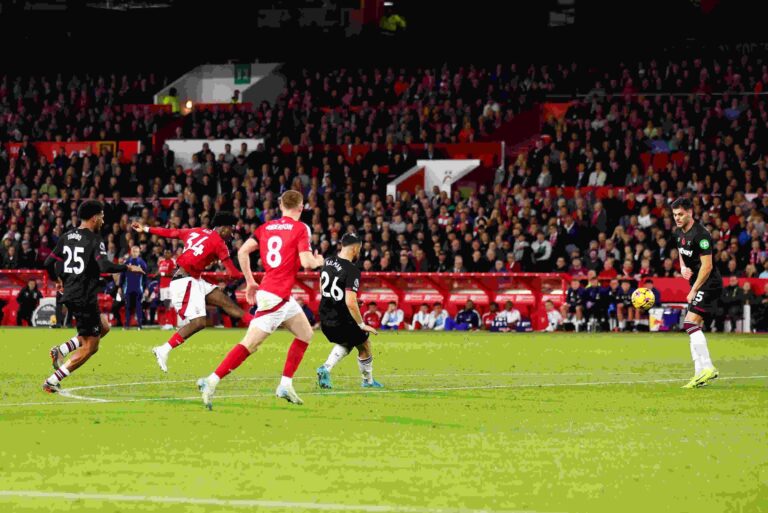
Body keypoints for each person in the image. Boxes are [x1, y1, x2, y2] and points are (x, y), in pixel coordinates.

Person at [197, 190, 325, 409]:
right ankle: (211, 381)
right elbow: (307, 262)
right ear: (301, 207)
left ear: (280, 205)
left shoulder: (265, 227)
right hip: (275, 297)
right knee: (250, 344)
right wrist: (318, 260)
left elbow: (243, 252)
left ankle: (285, 384)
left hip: (280, 295)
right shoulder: (301, 228)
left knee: (305, 333)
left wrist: (250, 281)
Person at [42, 200, 145, 393]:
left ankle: (61, 350)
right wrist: (127, 266)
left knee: (103, 326)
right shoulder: (94, 239)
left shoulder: (66, 236)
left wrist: (58, 281)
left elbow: (48, 262)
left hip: (71, 293)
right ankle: (53, 381)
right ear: (94, 217)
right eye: (102, 216)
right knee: (91, 346)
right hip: (84, 297)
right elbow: (104, 266)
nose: (103, 220)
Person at [131, 212, 253, 372]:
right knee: (199, 322)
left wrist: (146, 229)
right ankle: (163, 349)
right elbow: (233, 272)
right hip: (186, 281)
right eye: (231, 229)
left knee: (227, 303)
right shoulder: (220, 243)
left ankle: (260, 324)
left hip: (192, 278)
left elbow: (171, 233)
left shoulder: (196, 231)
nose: (233, 233)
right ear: (223, 228)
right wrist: (252, 278)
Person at [316, 233, 382, 389]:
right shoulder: (352, 270)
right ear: (355, 248)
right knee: (364, 344)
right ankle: (368, 382)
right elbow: (350, 302)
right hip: (342, 318)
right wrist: (361, 324)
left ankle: (325, 369)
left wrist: (346, 299)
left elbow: (322, 288)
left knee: (348, 342)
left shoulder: (328, 261)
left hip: (325, 317)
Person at [672, 197, 722, 388]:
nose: (677, 218)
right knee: (693, 327)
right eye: (675, 214)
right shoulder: (679, 232)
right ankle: (699, 375)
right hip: (698, 282)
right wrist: (683, 267)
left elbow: (707, 266)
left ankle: (708, 368)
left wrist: (694, 289)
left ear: (690, 213)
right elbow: (681, 250)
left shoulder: (701, 235)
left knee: (689, 323)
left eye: (680, 214)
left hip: (708, 283)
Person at [121, 245, 148, 329]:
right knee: (128, 307)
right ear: (130, 252)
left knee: (138, 307)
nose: (135, 253)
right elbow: (122, 275)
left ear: (139, 252)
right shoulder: (127, 262)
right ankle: (127, 325)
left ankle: (139, 325)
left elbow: (145, 277)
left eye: (136, 251)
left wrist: (146, 288)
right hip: (128, 288)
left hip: (138, 289)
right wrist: (119, 286)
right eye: (133, 251)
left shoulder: (142, 263)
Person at [157, 248, 176, 329]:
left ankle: (169, 323)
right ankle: (170, 323)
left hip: (169, 285)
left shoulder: (172, 262)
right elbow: (159, 272)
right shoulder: (161, 262)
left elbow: (173, 273)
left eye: (168, 252)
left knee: (167, 303)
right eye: (165, 252)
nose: (166, 254)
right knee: (167, 304)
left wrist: (164, 274)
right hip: (162, 285)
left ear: (171, 254)